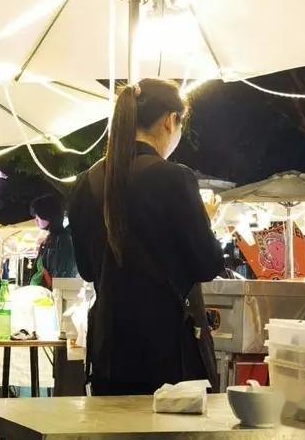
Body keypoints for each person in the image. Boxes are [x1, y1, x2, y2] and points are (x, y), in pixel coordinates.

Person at [67, 79, 225, 395]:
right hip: (166, 354)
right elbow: (208, 264)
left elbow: (87, 270)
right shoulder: (175, 178)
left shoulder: (87, 182)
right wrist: (205, 219)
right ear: (170, 120)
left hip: (109, 351)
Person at [28, 194, 78, 288]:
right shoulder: (52, 239)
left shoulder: (63, 240)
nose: (36, 220)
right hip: (46, 292)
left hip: (54, 293)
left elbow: (61, 277)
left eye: (38, 216)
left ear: (49, 215)